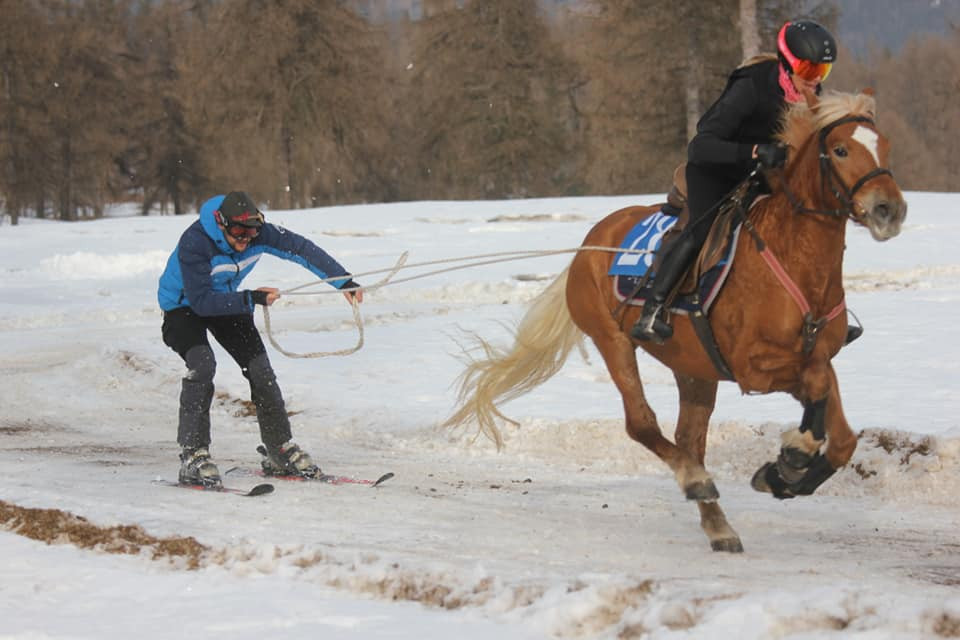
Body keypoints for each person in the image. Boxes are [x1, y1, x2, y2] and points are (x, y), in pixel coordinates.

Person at [631, 19, 844, 344]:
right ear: (787, 62)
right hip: (715, 171)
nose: (814, 80)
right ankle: (653, 309)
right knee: (700, 230)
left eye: (822, 72)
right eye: (807, 68)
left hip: (762, 178)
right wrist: (755, 151)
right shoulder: (751, 87)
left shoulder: (810, 94)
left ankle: (824, 313)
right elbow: (701, 144)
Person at [157, 191, 363, 488]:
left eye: (252, 230)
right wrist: (251, 299)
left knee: (260, 369)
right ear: (221, 223)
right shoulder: (196, 242)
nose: (246, 239)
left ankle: (279, 449)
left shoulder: (257, 234)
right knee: (203, 365)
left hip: (228, 301)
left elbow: (302, 249)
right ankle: (193, 454)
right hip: (183, 309)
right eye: (238, 231)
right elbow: (201, 302)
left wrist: (342, 281)